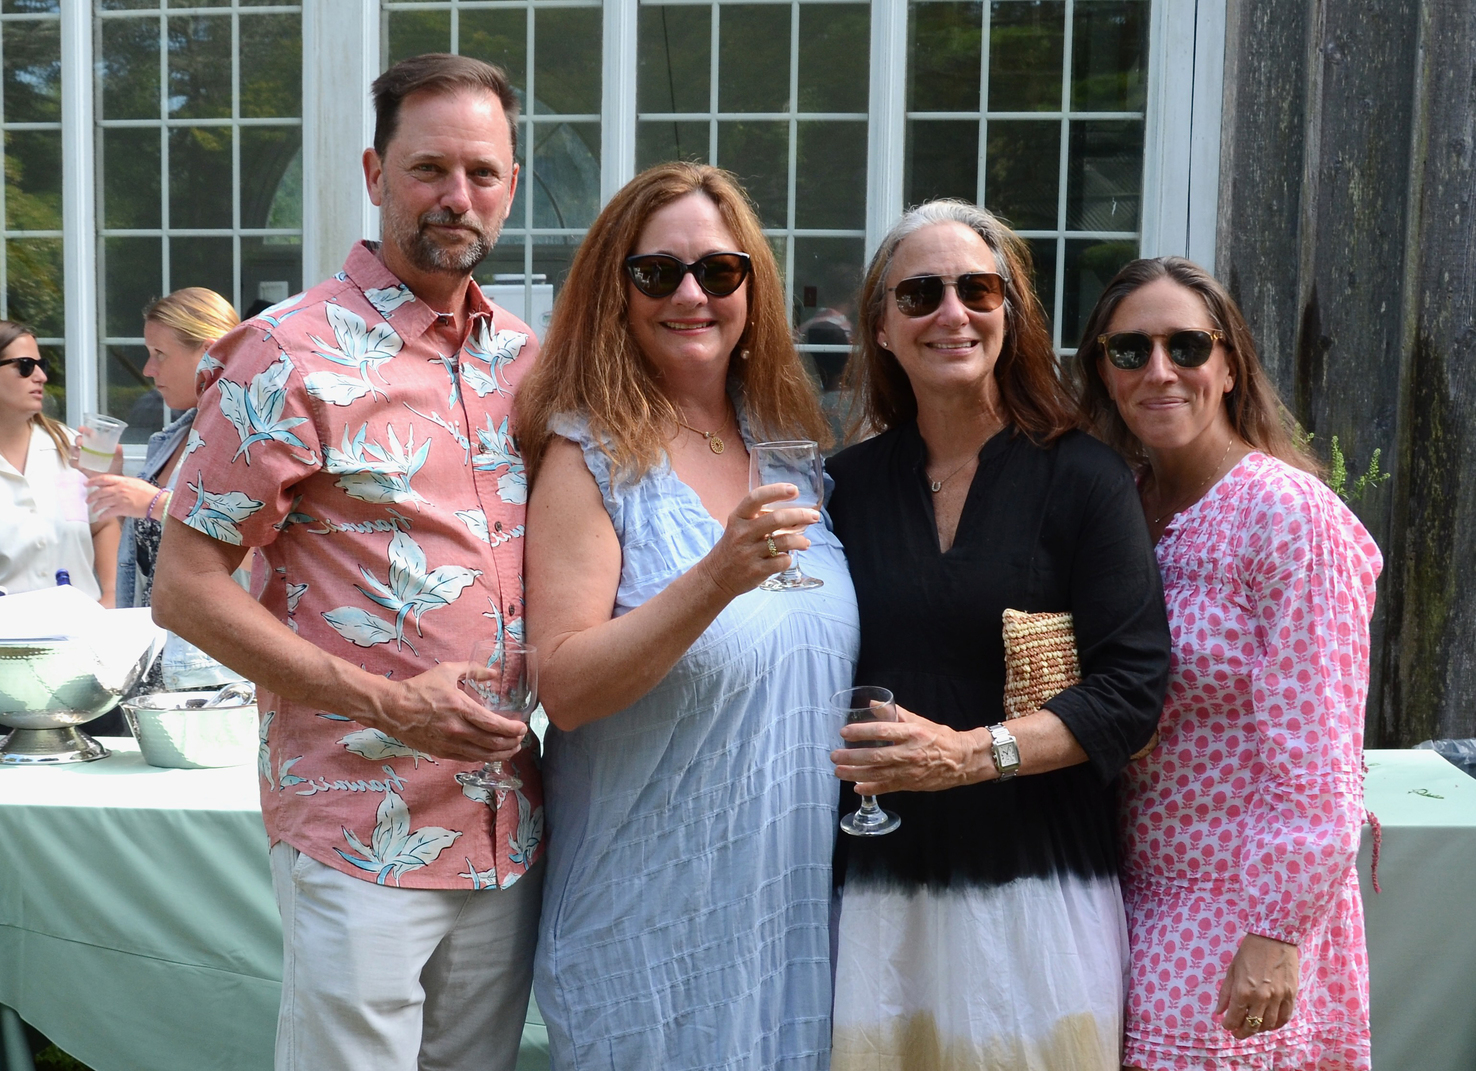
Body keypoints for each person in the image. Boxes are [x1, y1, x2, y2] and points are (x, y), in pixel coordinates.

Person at [151, 54, 543, 1071]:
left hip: (508, 821)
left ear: (511, 184)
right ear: (376, 174)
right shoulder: (283, 354)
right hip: (356, 818)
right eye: (429, 169)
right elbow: (185, 592)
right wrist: (387, 703)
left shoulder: (529, 362)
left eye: (484, 173)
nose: (457, 198)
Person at [516, 161, 859, 1070]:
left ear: (754, 286)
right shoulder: (589, 454)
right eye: (657, 273)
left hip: (789, 920)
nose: (692, 294)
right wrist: (713, 578)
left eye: (719, 270)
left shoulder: (787, 445)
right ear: (613, 293)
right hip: (651, 923)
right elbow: (568, 685)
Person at [823, 199, 1171, 1068]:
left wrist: (972, 755)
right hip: (876, 902)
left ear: (1011, 314)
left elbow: (1131, 693)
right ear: (884, 327)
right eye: (921, 294)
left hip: (1037, 895)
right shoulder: (843, 487)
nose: (952, 313)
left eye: (978, 289)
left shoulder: (1083, 477)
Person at [1074, 256, 1379, 1071]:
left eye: (1188, 346)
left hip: (1237, 908)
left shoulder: (1286, 514)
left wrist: (1277, 930)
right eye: (1130, 350)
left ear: (1230, 363)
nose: (1160, 370)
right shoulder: (1119, 502)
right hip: (1124, 894)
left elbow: (1319, 753)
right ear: (1103, 370)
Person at [87, 288, 240, 612]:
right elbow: (149, 550)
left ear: (208, 354)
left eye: (159, 353)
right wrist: (111, 480)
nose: (147, 369)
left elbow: (263, 551)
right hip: (158, 644)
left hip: (214, 655)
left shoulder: (246, 441)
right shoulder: (171, 438)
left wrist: (155, 502)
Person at [0, 320, 118, 609]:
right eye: (25, 366)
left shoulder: (72, 449)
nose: (40, 376)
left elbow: (103, 524)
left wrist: (112, 595)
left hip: (80, 636)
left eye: (42, 365)